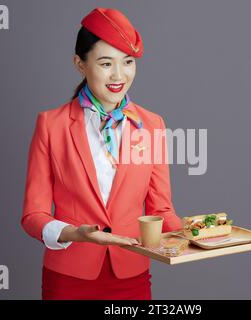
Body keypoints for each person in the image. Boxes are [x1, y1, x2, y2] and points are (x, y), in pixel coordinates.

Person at [20, 7, 182, 300]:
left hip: (131, 275)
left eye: (128, 62)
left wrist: (196, 234)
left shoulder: (152, 125)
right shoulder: (51, 125)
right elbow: (33, 215)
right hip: (69, 278)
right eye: (106, 63)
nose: (119, 75)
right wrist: (74, 233)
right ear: (80, 64)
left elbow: (161, 210)